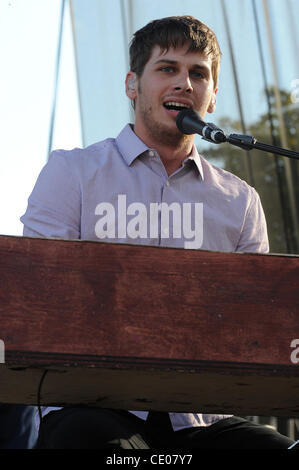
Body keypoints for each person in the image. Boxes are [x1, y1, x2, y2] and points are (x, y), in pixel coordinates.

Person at [20, 16, 296, 449]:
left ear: (213, 96)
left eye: (198, 73)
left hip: (204, 420)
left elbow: (254, 327)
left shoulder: (241, 201)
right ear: (132, 85)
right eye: (167, 69)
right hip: (94, 407)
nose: (184, 83)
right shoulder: (71, 172)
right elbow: (36, 298)